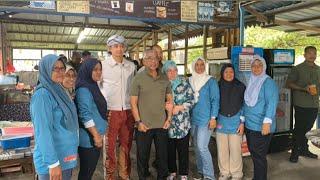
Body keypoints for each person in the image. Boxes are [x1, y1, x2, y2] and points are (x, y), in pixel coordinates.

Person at [30, 54, 79, 180]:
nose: (60, 72)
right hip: (53, 162)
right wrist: (53, 163)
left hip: (64, 156)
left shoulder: (58, 90)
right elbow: (43, 132)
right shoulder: (42, 95)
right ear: (46, 69)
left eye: (62, 68)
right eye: (54, 68)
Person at [130, 49, 173, 180]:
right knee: (143, 156)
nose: (153, 61)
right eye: (149, 58)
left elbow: (170, 101)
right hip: (144, 126)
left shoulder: (164, 78)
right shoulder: (138, 78)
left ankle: (162, 177)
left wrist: (169, 119)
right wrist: (138, 122)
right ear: (143, 61)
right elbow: (133, 103)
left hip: (161, 125)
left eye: (155, 58)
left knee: (162, 157)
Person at [100, 34, 136, 180]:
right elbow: (98, 87)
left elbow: (134, 89)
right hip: (110, 111)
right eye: (116, 46)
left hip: (128, 111)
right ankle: (109, 176)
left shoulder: (131, 66)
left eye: (121, 46)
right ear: (110, 48)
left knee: (126, 144)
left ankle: (124, 174)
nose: (119, 49)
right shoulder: (102, 66)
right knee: (109, 147)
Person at [243, 55, 278, 180]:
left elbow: (272, 102)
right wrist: (243, 120)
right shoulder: (251, 81)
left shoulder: (268, 82)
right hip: (250, 124)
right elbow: (246, 102)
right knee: (255, 154)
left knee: (259, 156)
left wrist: (267, 122)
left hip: (262, 126)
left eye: (259, 66)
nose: (256, 68)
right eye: (253, 66)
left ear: (264, 67)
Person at [75, 58, 108, 180]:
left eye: (100, 69)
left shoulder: (92, 85)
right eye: (95, 70)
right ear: (87, 70)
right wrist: (96, 135)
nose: (99, 72)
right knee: (86, 173)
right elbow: (85, 115)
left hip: (94, 137)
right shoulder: (84, 89)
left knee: (88, 171)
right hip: (89, 139)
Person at [162, 60, 195, 180]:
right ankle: (172, 172)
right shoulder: (162, 85)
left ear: (177, 71)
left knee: (183, 150)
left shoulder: (184, 84)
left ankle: (184, 173)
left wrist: (180, 107)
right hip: (168, 124)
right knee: (169, 150)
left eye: (174, 70)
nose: (172, 73)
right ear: (165, 72)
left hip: (183, 125)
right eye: (169, 71)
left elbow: (192, 100)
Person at [286, 46, 319, 163]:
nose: (312, 55)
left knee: (308, 128)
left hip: (314, 104)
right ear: (304, 55)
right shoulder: (297, 68)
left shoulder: (318, 69)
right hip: (301, 103)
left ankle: (304, 149)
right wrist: (303, 88)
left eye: (314, 53)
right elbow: (289, 83)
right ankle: (295, 152)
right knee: (299, 129)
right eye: (309, 53)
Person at [189, 57, 220, 180]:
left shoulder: (210, 81)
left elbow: (215, 100)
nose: (200, 67)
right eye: (197, 64)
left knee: (202, 147)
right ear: (193, 66)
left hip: (206, 119)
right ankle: (201, 171)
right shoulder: (190, 80)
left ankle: (209, 175)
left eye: (202, 64)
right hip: (193, 119)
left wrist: (213, 117)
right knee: (196, 147)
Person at [216, 64, 246, 180]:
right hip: (221, 121)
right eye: (226, 72)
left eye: (231, 72)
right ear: (222, 74)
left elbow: (244, 105)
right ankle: (224, 172)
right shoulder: (217, 86)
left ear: (234, 73)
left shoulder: (240, 86)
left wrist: (242, 122)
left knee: (235, 149)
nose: (229, 74)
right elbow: (214, 103)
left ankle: (237, 173)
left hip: (236, 121)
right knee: (222, 149)